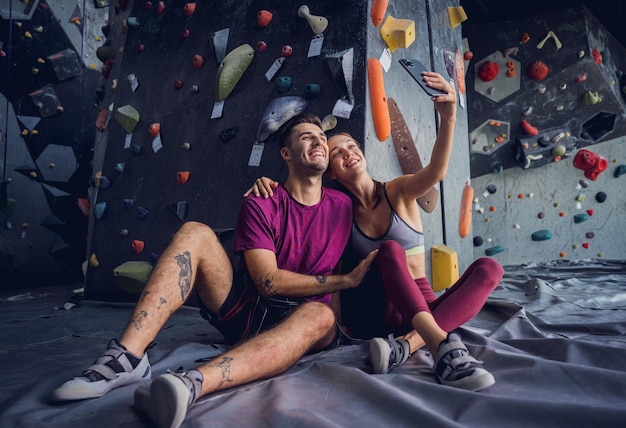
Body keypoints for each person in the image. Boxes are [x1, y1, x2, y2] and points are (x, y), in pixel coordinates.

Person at [51, 113, 377, 428]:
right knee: (195, 231)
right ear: (286, 153)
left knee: (320, 315)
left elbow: (401, 198)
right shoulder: (261, 201)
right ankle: (127, 358)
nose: (319, 142)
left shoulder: (345, 204)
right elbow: (267, 282)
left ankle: (189, 385)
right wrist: (346, 281)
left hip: (309, 320)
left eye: (322, 138)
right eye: (307, 137)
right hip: (251, 313)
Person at [247, 72, 504, 391]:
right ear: (332, 172)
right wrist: (267, 183)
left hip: (419, 304)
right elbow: (335, 266)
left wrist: (449, 118)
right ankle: (442, 347)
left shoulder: (398, 191)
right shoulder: (339, 208)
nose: (348, 153)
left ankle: (408, 346)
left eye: (352, 146)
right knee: (390, 250)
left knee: (490, 268)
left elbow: (436, 171)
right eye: (337, 153)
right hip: (376, 309)